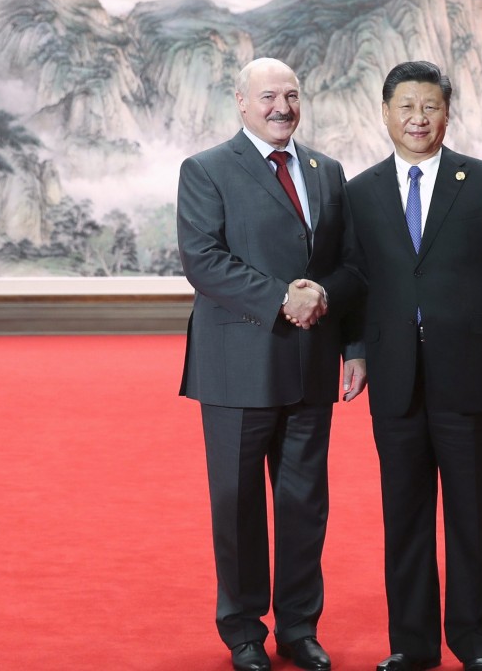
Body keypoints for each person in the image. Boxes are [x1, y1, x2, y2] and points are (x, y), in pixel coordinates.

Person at [343, 61, 482, 671]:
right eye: (406, 107)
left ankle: (479, 646)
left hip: (470, 373)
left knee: (475, 517)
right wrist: (354, 352)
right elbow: (355, 281)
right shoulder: (361, 191)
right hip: (395, 378)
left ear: (446, 113)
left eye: (429, 107)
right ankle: (412, 645)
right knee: (404, 518)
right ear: (385, 113)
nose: (418, 119)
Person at [177, 57, 366, 671]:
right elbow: (203, 260)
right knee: (236, 504)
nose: (281, 106)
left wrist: (354, 344)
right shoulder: (206, 170)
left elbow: (351, 266)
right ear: (240, 101)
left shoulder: (327, 171)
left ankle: (299, 627)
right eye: (267, 97)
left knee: (306, 503)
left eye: (290, 94)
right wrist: (284, 297)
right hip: (236, 366)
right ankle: (243, 632)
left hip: (312, 365)